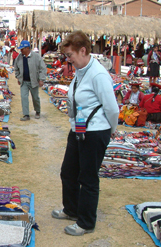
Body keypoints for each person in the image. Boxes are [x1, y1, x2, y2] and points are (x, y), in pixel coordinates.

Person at [51, 31, 119, 236]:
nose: (68, 59)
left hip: (95, 131)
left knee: (88, 178)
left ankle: (86, 222)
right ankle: (71, 209)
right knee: (68, 171)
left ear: (83, 50)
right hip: (79, 129)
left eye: (70, 55)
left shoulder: (98, 74)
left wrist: (111, 130)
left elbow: (112, 108)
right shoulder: (81, 71)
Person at [14, 40, 46, 121]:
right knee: (24, 97)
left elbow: (43, 68)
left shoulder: (36, 56)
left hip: (34, 81)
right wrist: (18, 77)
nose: (21, 50)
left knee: (35, 97)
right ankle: (26, 114)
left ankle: (37, 111)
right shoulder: (19, 57)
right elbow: (16, 68)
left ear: (27, 48)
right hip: (24, 81)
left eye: (22, 49)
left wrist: (41, 79)